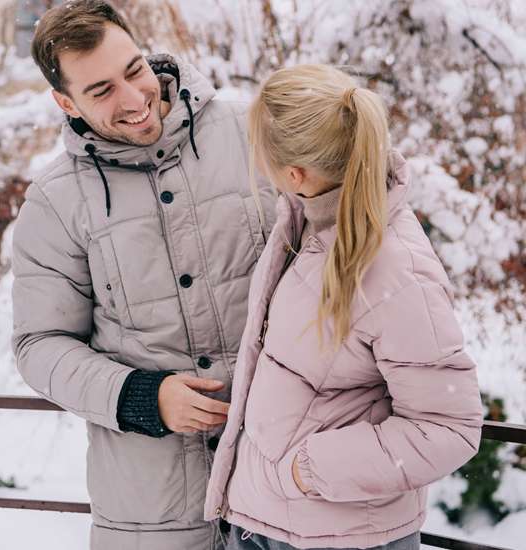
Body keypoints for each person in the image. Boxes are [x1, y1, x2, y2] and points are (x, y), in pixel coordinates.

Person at [11, 1, 276, 549]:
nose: (134, 100)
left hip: (280, 482)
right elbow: (40, 344)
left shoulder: (258, 134)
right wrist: (140, 397)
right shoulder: (55, 203)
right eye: (102, 90)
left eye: (134, 71)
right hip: (153, 512)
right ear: (66, 102)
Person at [204, 64, 484, 549]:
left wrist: (306, 471)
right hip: (266, 521)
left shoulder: (396, 269)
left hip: (342, 535)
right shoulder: (304, 223)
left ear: (295, 173)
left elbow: (449, 427)